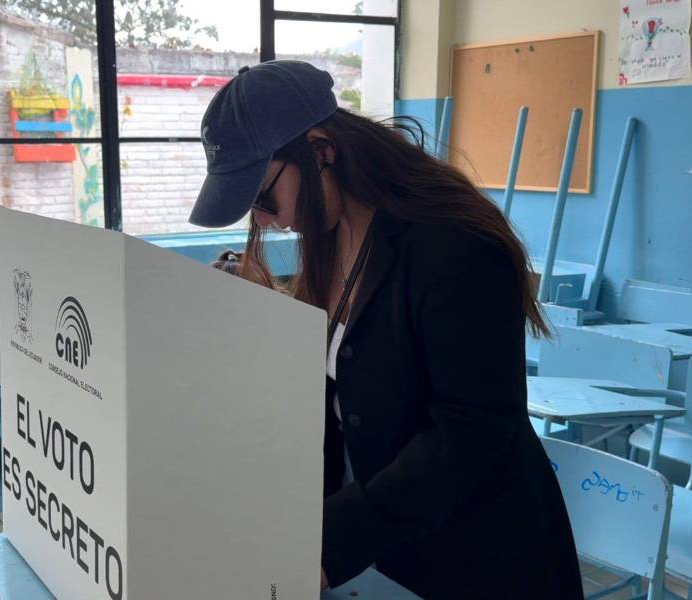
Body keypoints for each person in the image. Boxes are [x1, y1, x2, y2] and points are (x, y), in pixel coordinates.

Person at [190, 61, 584, 599]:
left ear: (321, 152)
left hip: (482, 557)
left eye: (262, 197)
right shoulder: (333, 240)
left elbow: (469, 431)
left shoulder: (456, 248)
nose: (262, 220)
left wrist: (331, 543)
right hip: (394, 550)